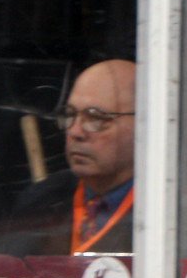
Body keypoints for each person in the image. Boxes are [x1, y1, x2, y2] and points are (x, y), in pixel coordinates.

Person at [42, 58, 137, 255]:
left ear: (144, 123)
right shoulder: (39, 202)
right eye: (69, 115)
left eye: (95, 118)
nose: (75, 131)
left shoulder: (175, 216)